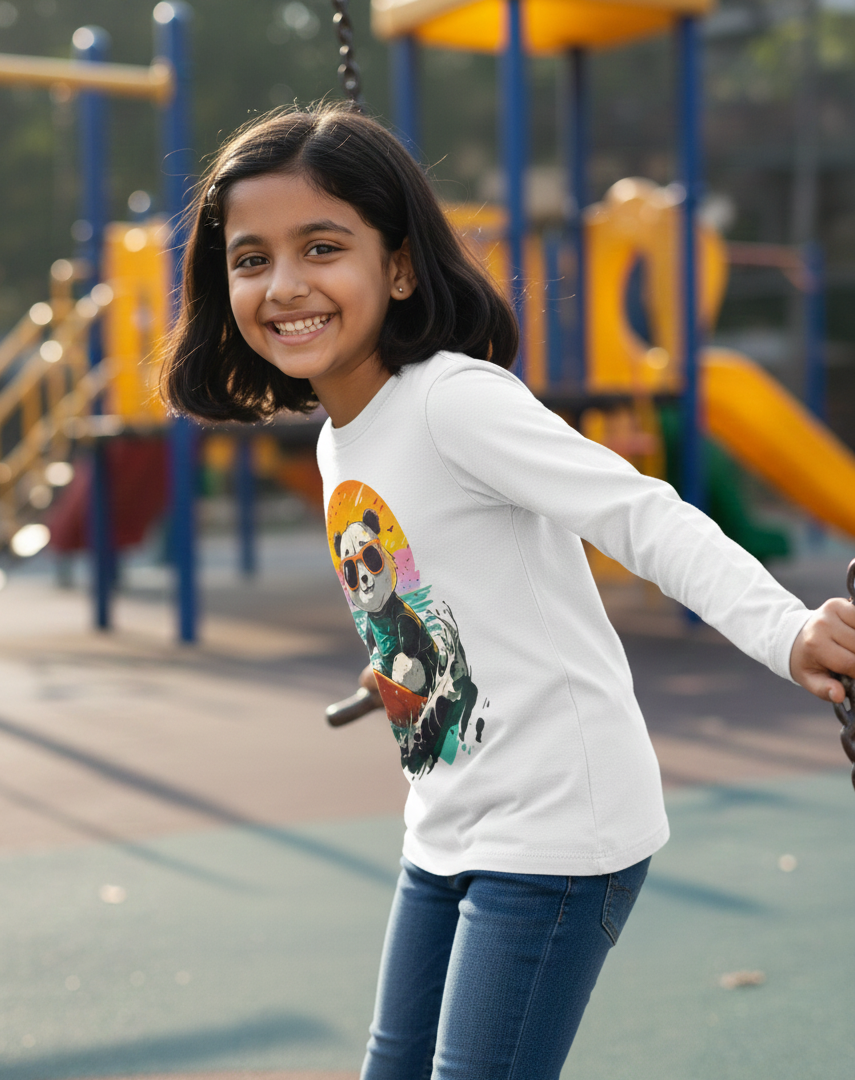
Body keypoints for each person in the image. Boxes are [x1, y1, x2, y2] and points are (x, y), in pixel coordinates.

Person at [161, 102, 855, 1080]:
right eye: (250, 258)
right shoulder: (336, 437)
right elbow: (435, 581)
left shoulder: (454, 400)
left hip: (557, 829)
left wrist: (785, 630)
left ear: (398, 266)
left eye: (323, 246)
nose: (285, 285)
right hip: (445, 821)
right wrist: (401, 665)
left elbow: (639, 515)